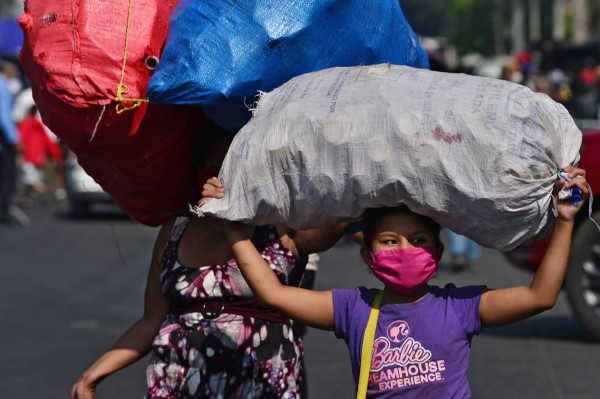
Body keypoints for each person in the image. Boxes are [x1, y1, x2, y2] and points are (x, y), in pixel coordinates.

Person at [218, 166, 589, 398]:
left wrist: (565, 221)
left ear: (437, 254)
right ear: (369, 256)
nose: (405, 249)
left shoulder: (459, 307)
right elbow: (273, 293)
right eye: (390, 241)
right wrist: (233, 226)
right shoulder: (353, 309)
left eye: (419, 240)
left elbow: (539, 296)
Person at [70, 133, 353, 399]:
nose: (221, 174)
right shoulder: (175, 231)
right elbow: (152, 319)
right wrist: (93, 374)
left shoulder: (279, 224)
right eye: (213, 164)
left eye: (231, 164)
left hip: (259, 380)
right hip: (178, 380)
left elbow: (333, 225)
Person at [0, 62, 19, 224]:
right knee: (7, 174)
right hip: (3, 140)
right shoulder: (2, 87)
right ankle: (3, 210)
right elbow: (4, 116)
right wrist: (14, 139)